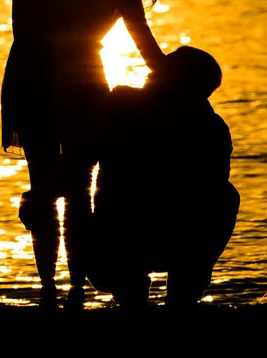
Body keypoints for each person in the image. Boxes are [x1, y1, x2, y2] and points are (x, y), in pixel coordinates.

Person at [1, 0, 166, 308]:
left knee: (61, 186)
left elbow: (20, 9)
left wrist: (176, 74)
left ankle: (60, 289)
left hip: (40, 74)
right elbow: (146, 47)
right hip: (57, 79)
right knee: (73, 189)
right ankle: (60, 287)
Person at [87, 45, 241, 312]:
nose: (151, 69)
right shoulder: (212, 126)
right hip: (164, 236)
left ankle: (135, 292)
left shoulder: (119, 105)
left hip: (125, 238)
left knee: (222, 196)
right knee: (225, 196)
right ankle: (181, 295)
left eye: (162, 66)